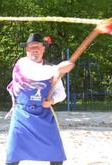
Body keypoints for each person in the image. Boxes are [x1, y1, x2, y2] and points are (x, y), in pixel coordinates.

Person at [5, 33, 74, 165]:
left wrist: (52, 101)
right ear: (27, 50)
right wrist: (59, 69)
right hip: (22, 114)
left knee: (56, 153)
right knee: (13, 153)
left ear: (44, 49)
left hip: (44, 115)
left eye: (38, 46)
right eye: (31, 47)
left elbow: (61, 94)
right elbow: (34, 74)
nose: (34, 49)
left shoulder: (52, 69)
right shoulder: (21, 64)